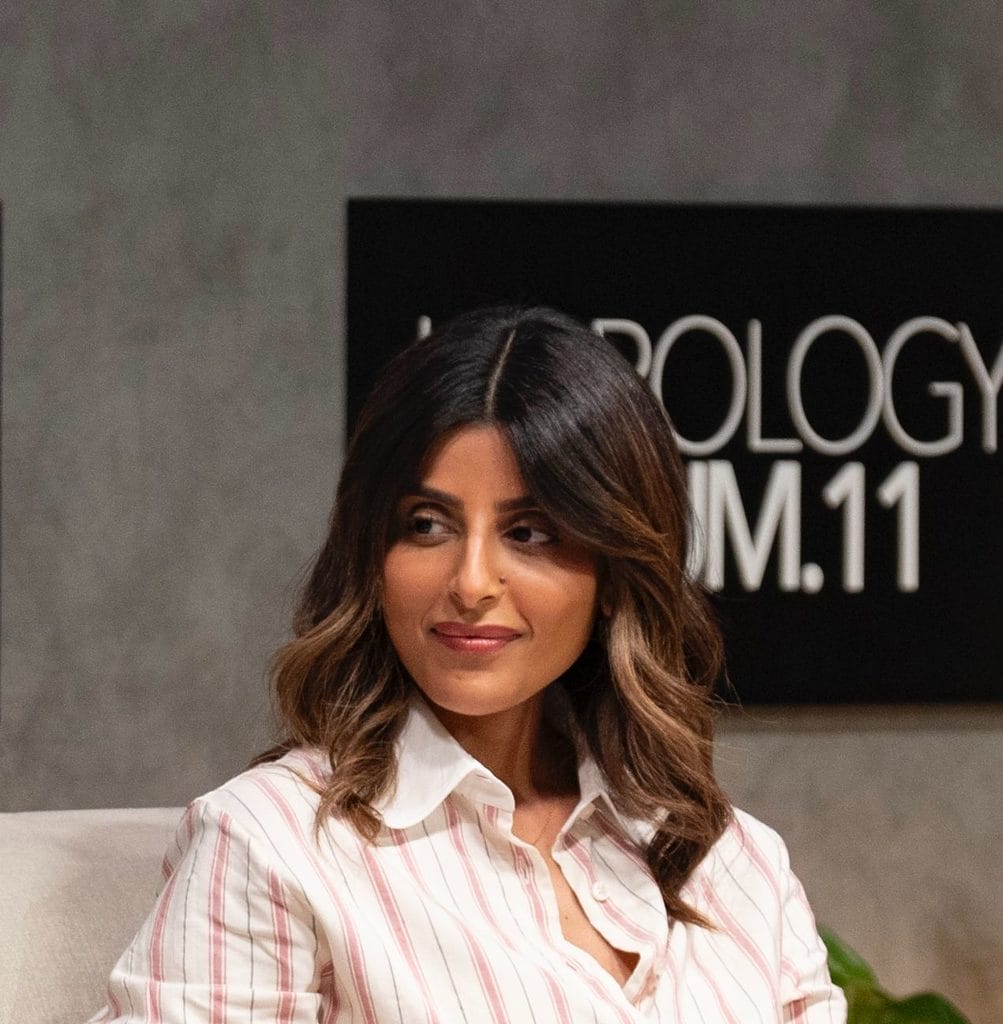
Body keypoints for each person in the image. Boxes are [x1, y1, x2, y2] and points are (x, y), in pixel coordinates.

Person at [89, 306, 847, 1023]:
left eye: (530, 532)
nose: (472, 581)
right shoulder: (269, 842)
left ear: (616, 574)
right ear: (370, 555)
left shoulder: (734, 860)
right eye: (426, 525)